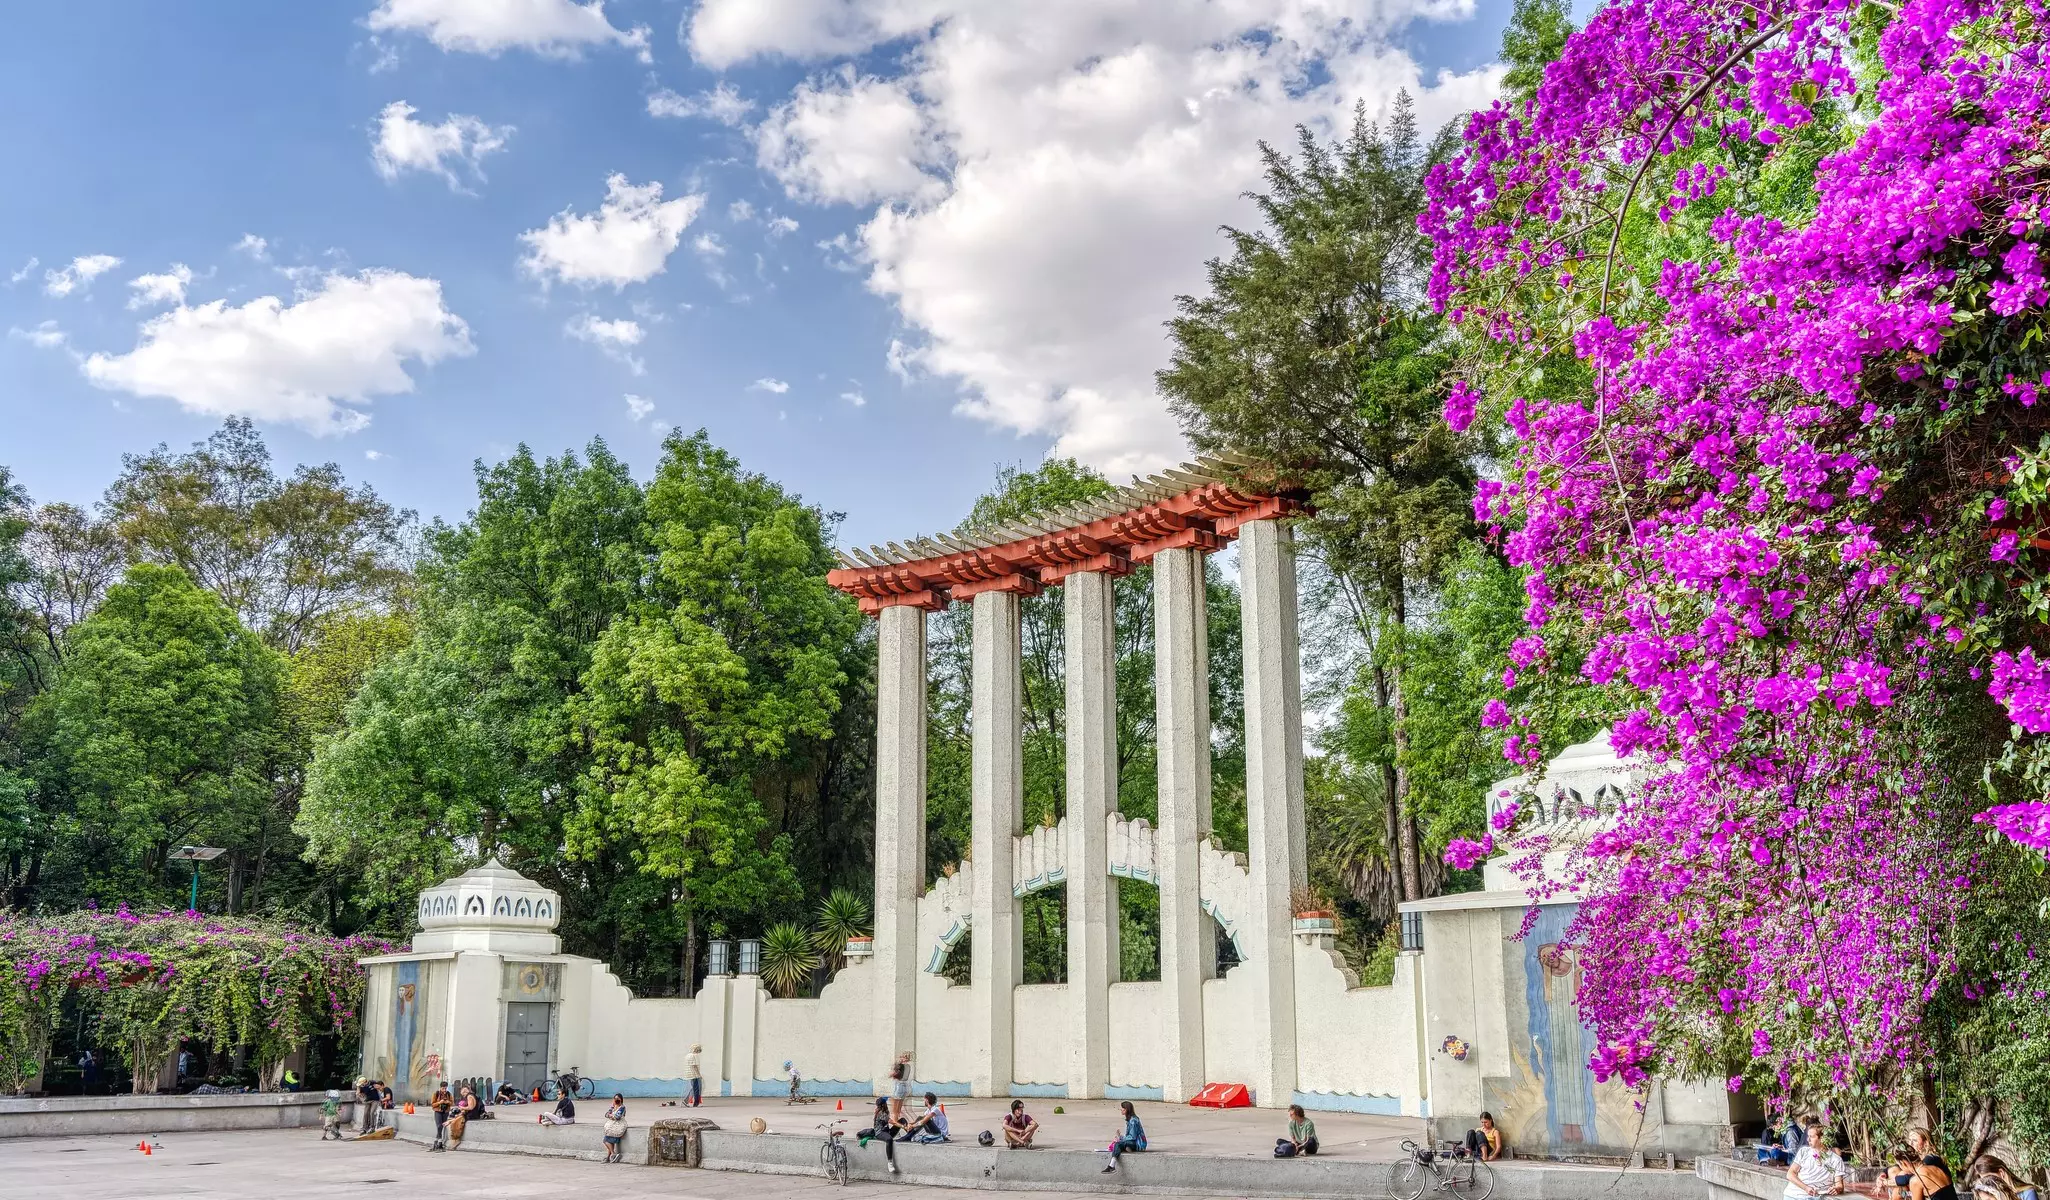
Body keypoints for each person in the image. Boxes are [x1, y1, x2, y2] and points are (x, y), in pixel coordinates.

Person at [1783, 1121, 1847, 1199]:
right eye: (1808, 1136)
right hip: (1793, 1195)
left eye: (1812, 1137)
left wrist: (1837, 1189)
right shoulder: (1803, 1152)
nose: (1808, 1140)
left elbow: (1839, 1185)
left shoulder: (1836, 1159)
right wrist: (1805, 1188)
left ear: (1822, 1138)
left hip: (1816, 1197)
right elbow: (1790, 1174)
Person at [1911, 1129, 1960, 1200]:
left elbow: (1910, 1178)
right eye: (1909, 1140)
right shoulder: (1930, 1158)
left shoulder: (1931, 1159)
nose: (1910, 1143)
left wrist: (1889, 1181)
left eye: (1915, 1140)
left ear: (1926, 1143)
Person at [858, 1096, 900, 1174]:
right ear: (884, 1104)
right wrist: (903, 1126)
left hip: (887, 1131)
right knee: (889, 1139)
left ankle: (909, 1135)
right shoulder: (881, 1113)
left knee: (902, 1120)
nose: (887, 1103)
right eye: (886, 1102)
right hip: (880, 1133)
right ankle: (890, 1163)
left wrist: (906, 1126)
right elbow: (892, 1122)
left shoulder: (885, 1111)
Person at [1102, 1101, 1147, 1172]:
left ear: (1126, 1110)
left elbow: (1132, 1137)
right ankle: (1127, 1148)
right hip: (1133, 1142)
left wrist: (1121, 1138)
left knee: (1118, 1144)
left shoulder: (1133, 1121)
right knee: (1119, 1145)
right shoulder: (1130, 1120)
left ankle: (1111, 1166)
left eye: (1122, 1109)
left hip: (1138, 1144)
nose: (1121, 1110)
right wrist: (1120, 1137)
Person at [428, 1081, 455, 1151]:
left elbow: (452, 1103)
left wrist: (447, 1102)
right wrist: (440, 1102)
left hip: (445, 1112)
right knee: (439, 1126)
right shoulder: (436, 1094)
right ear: (440, 1088)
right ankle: (439, 1142)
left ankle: (437, 1142)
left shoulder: (449, 1094)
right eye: (443, 1088)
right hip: (438, 1111)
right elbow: (432, 1104)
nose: (444, 1090)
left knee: (442, 1126)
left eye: (445, 1088)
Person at [888, 1052, 913, 1126]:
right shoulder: (908, 1066)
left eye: (902, 1057)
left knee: (894, 1110)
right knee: (898, 1110)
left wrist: (893, 1073)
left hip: (899, 1086)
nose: (900, 1058)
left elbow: (894, 1074)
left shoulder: (901, 1066)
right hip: (905, 1086)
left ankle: (895, 1125)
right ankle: (899, 1124)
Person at [602, 1094, 627, 1164]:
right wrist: (611, 1115)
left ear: (621, 1100)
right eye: (615, 1099)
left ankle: (613, 1154)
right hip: (612, 1126)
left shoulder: (622, 1107)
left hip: (617, 1126)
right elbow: (606, 1114)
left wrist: (610, 1115)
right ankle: (609, 1156)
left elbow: (617, 1117)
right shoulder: (613, 1106)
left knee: (606, 1140)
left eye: (618, 1099)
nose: (616, 1100)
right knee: (610, 1141)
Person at [685, 1043, 703, 1108]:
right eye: (698, 1050)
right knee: (696, 1089)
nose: (698, 1052)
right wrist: (699, 1075)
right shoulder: (694, 1056)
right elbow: (695, 1066)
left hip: (689, 1075)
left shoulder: (688, 1055)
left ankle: (686, 1101)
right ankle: (696, 1103)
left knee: (693, 1088)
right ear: (697, 1049)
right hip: (695, 1075)